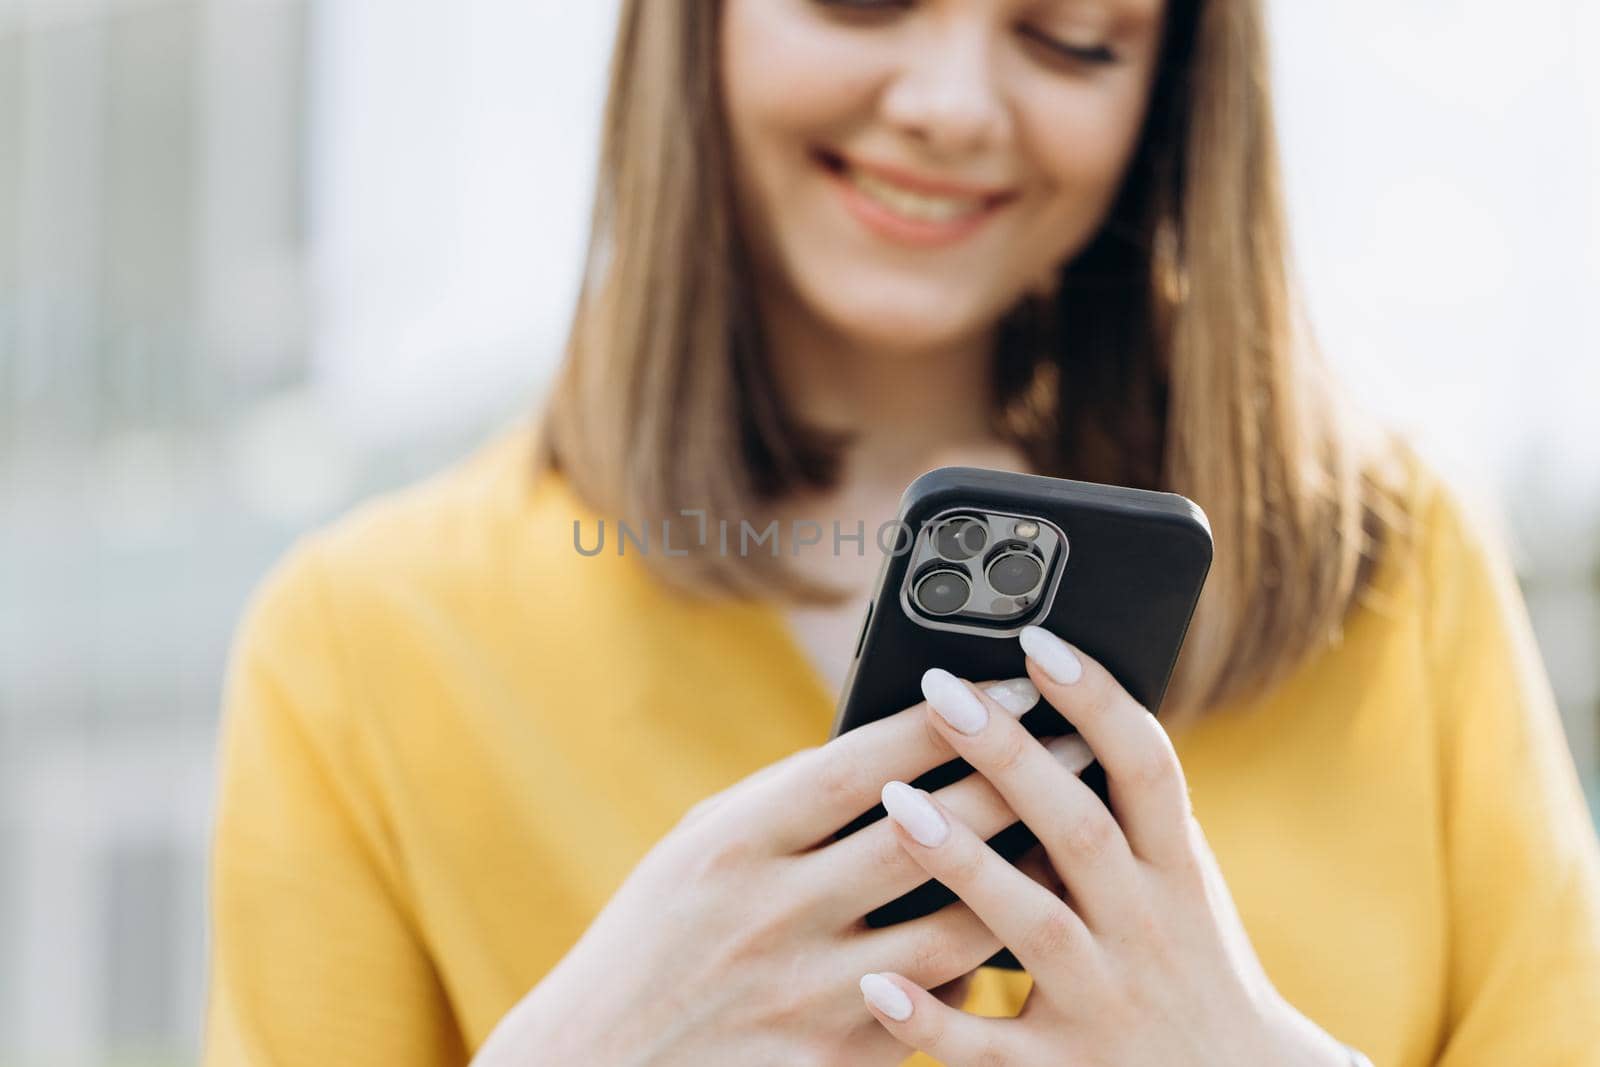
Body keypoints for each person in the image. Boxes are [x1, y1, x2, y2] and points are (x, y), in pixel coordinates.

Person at [203, 1, 1600, 1064]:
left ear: (1172, 86)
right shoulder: (366, 638)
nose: (949, 104)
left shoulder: (1390, 561)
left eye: (1066, 37)